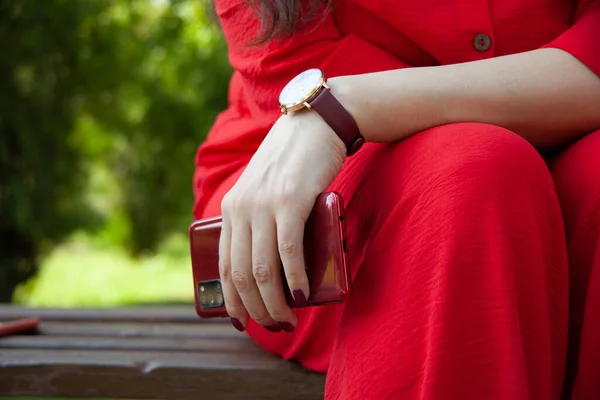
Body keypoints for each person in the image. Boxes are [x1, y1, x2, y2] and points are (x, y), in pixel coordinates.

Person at [192, 0, 600, 398]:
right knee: (470, 176)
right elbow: (293, 72)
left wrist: (342, 103)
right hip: (309, 180)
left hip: (570, 153)